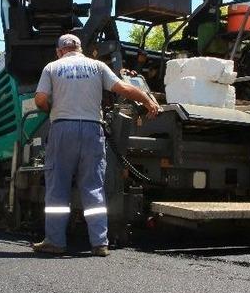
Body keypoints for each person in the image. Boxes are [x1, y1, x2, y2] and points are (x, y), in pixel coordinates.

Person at [33, 34, 160, 257]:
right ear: (80, 49)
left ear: (59, 51)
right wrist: (148, 101)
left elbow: (40, 99)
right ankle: (100, 243)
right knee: (93, 187)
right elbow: (123, 88)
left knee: (58, 187)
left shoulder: (52, 68)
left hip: (63, 129)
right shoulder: (97, 66)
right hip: (93, 130)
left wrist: (52, 109)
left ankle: (55, 242)